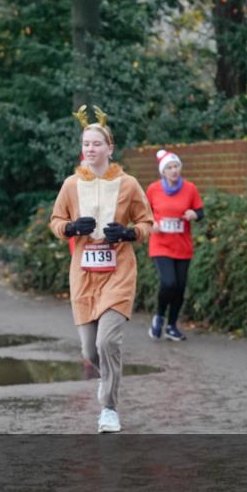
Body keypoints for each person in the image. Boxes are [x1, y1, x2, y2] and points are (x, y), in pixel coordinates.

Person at [49, 106, 153, 434]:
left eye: (96, 143)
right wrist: (69, 228)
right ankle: (106, 377)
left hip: (118, 272)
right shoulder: (70, 185)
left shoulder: (128, 184)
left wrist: (129, 233)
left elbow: (147, 222)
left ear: (110, 148)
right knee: (89, 350)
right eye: (86, 144)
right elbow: (56, 221)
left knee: (108, 342)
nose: (90, 149)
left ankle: (109, 408)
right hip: (83, 275)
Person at [146, 149, 204, 341]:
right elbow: (143, 212)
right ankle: (159, 317)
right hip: (160, 244)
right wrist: (151, 223)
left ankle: (171, 326)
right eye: (169, 167)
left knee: (179, 287)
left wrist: (194, 214)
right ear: (163, 172)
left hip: (182, 246)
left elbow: (200, 212)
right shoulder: (153, 189)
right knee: (168, 282)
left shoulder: (190, 188)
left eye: (176, 166)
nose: (174, 170)